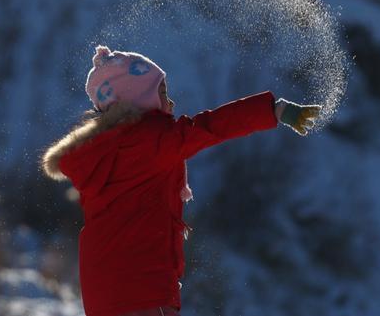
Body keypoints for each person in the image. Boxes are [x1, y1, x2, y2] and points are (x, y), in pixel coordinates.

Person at [41, 45, 321, 316]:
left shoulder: (99, 152)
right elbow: (209, 128)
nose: (171, 102)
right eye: (162, 92)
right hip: (143, 289)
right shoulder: (152, 140)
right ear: (138, 97)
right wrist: (274, 111)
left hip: (101, 295)